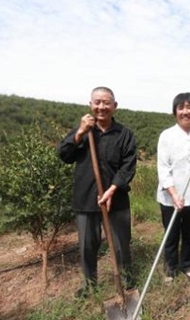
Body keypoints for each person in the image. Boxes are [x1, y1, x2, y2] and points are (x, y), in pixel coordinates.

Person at [58, 86, 137, 297]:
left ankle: (126, 278)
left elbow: (128, 166)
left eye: (106, 103)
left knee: (121, 243)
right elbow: (64, 155)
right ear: (90, 105)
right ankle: (90, 284)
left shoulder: (124, 134)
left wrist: (111, 190)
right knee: (87, 245)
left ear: (114, 106)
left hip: (116, 198)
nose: (101, 107)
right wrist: (80, 133)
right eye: (97, 102)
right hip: (85, 199)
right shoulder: (83, 131)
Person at [156, 92, 190, 283]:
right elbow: (163, 168)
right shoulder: (166, 136)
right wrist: (174, 194)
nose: (185, 111)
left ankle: (187, 265)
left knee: (189, 233)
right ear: (175, 111)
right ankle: (170, 269)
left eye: (189, 107)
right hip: (171, 197)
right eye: (181, 108)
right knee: (171, 233)